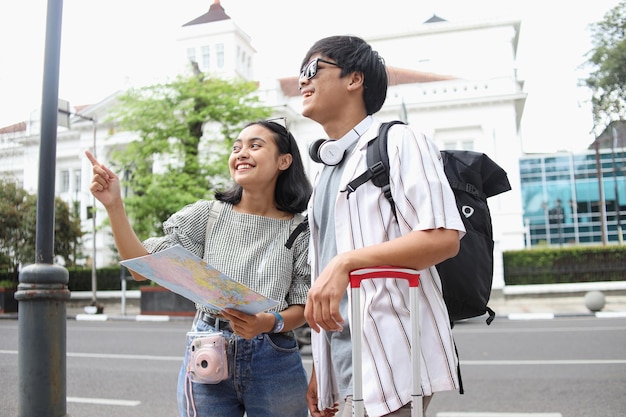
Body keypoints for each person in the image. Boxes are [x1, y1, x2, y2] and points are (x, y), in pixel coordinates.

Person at [86, 119, 312, 417]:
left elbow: (304, 305)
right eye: (236, 147)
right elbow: (141, 269)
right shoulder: (207, 216)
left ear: (284, 161)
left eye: (255, 146)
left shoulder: (302, 228)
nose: (241, 153)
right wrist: (114, 205)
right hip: (209, 344)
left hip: (274, 355)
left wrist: (267, 323)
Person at [298, 36, 466, 417]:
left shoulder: (401, 140)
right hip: (345, 363)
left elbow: (443, 237)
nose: (303, 82)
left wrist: (346, 262)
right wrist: (321, 372)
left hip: (395, 357)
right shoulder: (327, 171)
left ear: (354, 79)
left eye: (313, 70)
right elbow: (327, 287)